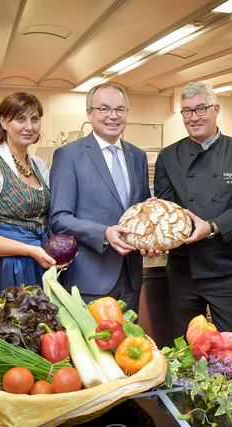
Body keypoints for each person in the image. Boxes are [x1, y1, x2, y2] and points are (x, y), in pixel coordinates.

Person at [154, 81, 232, 339]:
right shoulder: (168, 157)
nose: (194, 117)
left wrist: (212, 227)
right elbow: (167, 211)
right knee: (185, 347)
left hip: (226, 269)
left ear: (216, 109)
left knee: (229, 348)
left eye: (200, 109)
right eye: (187, 111)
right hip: (183, 270)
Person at [49, 83, 154, 311]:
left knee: (132, 344)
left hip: (131, 277)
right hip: (90, 279)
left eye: (120, 110)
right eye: (104, 109)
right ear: (89, 113)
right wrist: (104, 233)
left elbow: (141, 208)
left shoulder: (137, 156)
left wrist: (153, 222)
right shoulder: (68, 155)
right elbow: (59, 218)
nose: (113, 116)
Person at [0, 92, 59, 298]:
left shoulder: (38, 165)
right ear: (3, 121)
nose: (29, 127)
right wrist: (29, 250)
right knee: (7, 328)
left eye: (35, 119)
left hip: (37, 264)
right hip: (5, 269)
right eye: (20, 119)